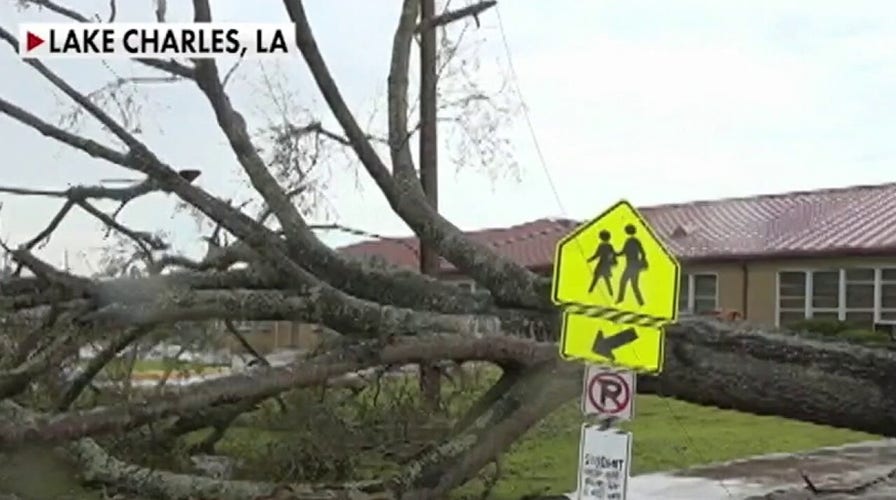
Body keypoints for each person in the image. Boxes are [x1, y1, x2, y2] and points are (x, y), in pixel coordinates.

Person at [616, 224, 647, 306]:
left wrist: (642, 261)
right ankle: (640, 302)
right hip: (632, 265)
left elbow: (642, 252)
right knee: (633, 284)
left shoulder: (632, 241)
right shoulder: (631, 241)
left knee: (625, 282)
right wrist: (615, 254)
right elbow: (623, 252)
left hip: (632, 265)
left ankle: (621, 299)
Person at [587, 229, 617, 295]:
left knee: (596, 278)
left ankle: (590, 291)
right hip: (607, 265)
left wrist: (590, 259)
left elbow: (597, 255)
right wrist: (614, 262)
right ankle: (611, 293)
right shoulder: (610, 246)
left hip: (601, 264)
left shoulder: (602, 245)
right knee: (606, 279)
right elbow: (613, 254)